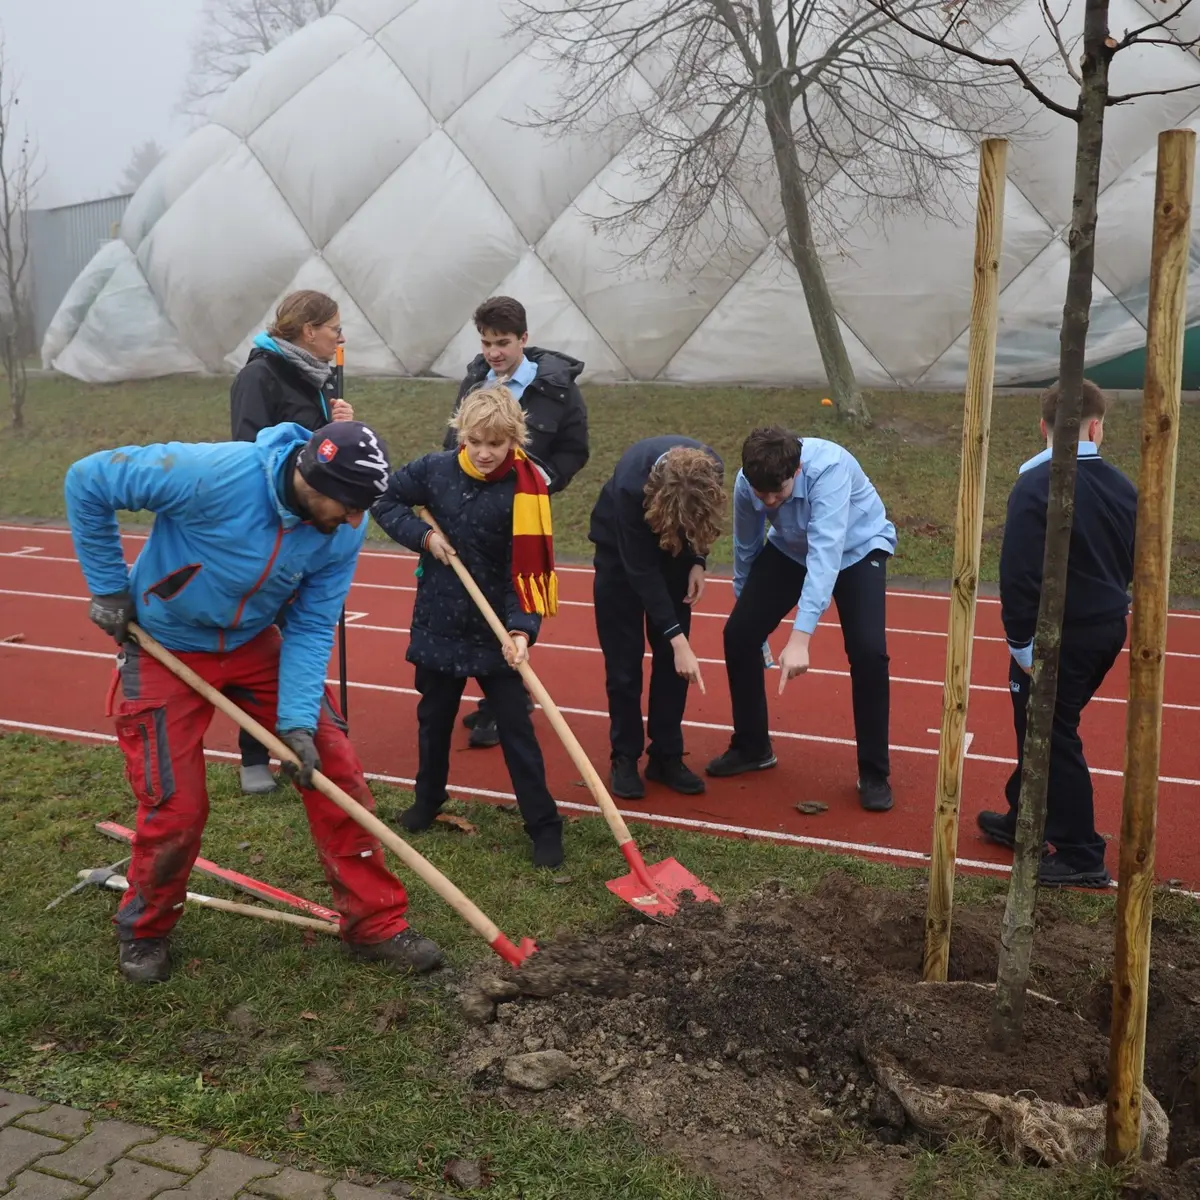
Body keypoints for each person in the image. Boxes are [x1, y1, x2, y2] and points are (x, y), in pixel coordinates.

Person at [64, 420, 444, 984]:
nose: (356, 523)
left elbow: (314, 624)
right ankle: (145, 929)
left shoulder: (340, 530)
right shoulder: (213, 474)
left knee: (334, 771)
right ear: (312, 478)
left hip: (253, 642)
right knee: (176, 806)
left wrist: (294, 723)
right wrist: (108, 586)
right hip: (166, 641)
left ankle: (375, 923)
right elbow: (87, 480)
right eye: (350, 506)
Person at [372, 386, 566, 869]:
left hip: (494, 631)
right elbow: (386, 500)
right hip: (438, 621)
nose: (484, 453)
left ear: (513, 441)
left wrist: (521, 631)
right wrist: (424, 536)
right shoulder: (434, 471)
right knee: (433, 722)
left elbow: (525, 573)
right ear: (462, 435)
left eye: (496, 444)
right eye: (476, 440)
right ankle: (427, 801)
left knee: (517, 732)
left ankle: (544, 825)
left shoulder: (524, 490)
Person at [977, 380, 1136, 888]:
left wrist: (1021, 643)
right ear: (1095, 427)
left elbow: (1018, 572)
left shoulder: (1036, 485)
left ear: (1044, 427)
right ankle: (1025, 813)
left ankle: (1080, 851)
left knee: (1051, 731)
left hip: (1058, 636)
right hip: (1106, 629)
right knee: (1044, 724)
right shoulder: (1122, 486)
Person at [708, 426, 897, 813]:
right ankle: (752, 746)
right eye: (764, 496)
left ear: (795, 472)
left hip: (856, 549)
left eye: (778, 493)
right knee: (739, 635)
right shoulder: (750, 484)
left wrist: (800, 637)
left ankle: (874, 772)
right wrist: (748, 609)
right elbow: (746, 547)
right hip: (791, 549)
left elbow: (826, 555)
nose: (771, 502)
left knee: (868, 653)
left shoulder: (829, 470)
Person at [446, 295, 590, 749]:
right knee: (475, 596)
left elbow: (575, 448)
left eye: (503, 343)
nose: (494, 352)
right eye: (487, 342)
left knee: (514, 600)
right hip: (473, 509)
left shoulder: (557, 387)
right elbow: (455, 438)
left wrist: (540, 481)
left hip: (522, 514)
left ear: (524, 339)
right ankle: (494, 693)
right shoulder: (475, 380)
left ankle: (506, 699)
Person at [229, 289, 354, 795]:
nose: (340, 338)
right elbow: (249, 452)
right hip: (271, 527)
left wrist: (338, 432)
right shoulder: (259, 376)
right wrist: (320, 436)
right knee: (262, 642)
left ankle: (296, 741)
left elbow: (322, 452)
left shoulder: (313, 376)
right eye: (334, 329)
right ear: (307, 331)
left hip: (313, 527)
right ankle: (252, 754)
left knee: (303, 637)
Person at [588, 436, 726, 800]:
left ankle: (666, 756)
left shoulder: (711, 471)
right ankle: (624, 757)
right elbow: (642, 572)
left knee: (673, 666)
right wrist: (679, 639)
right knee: (624, 664)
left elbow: (701, 518)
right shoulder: (630, 485)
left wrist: (697, 560)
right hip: (620, 558)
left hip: (675, 558)